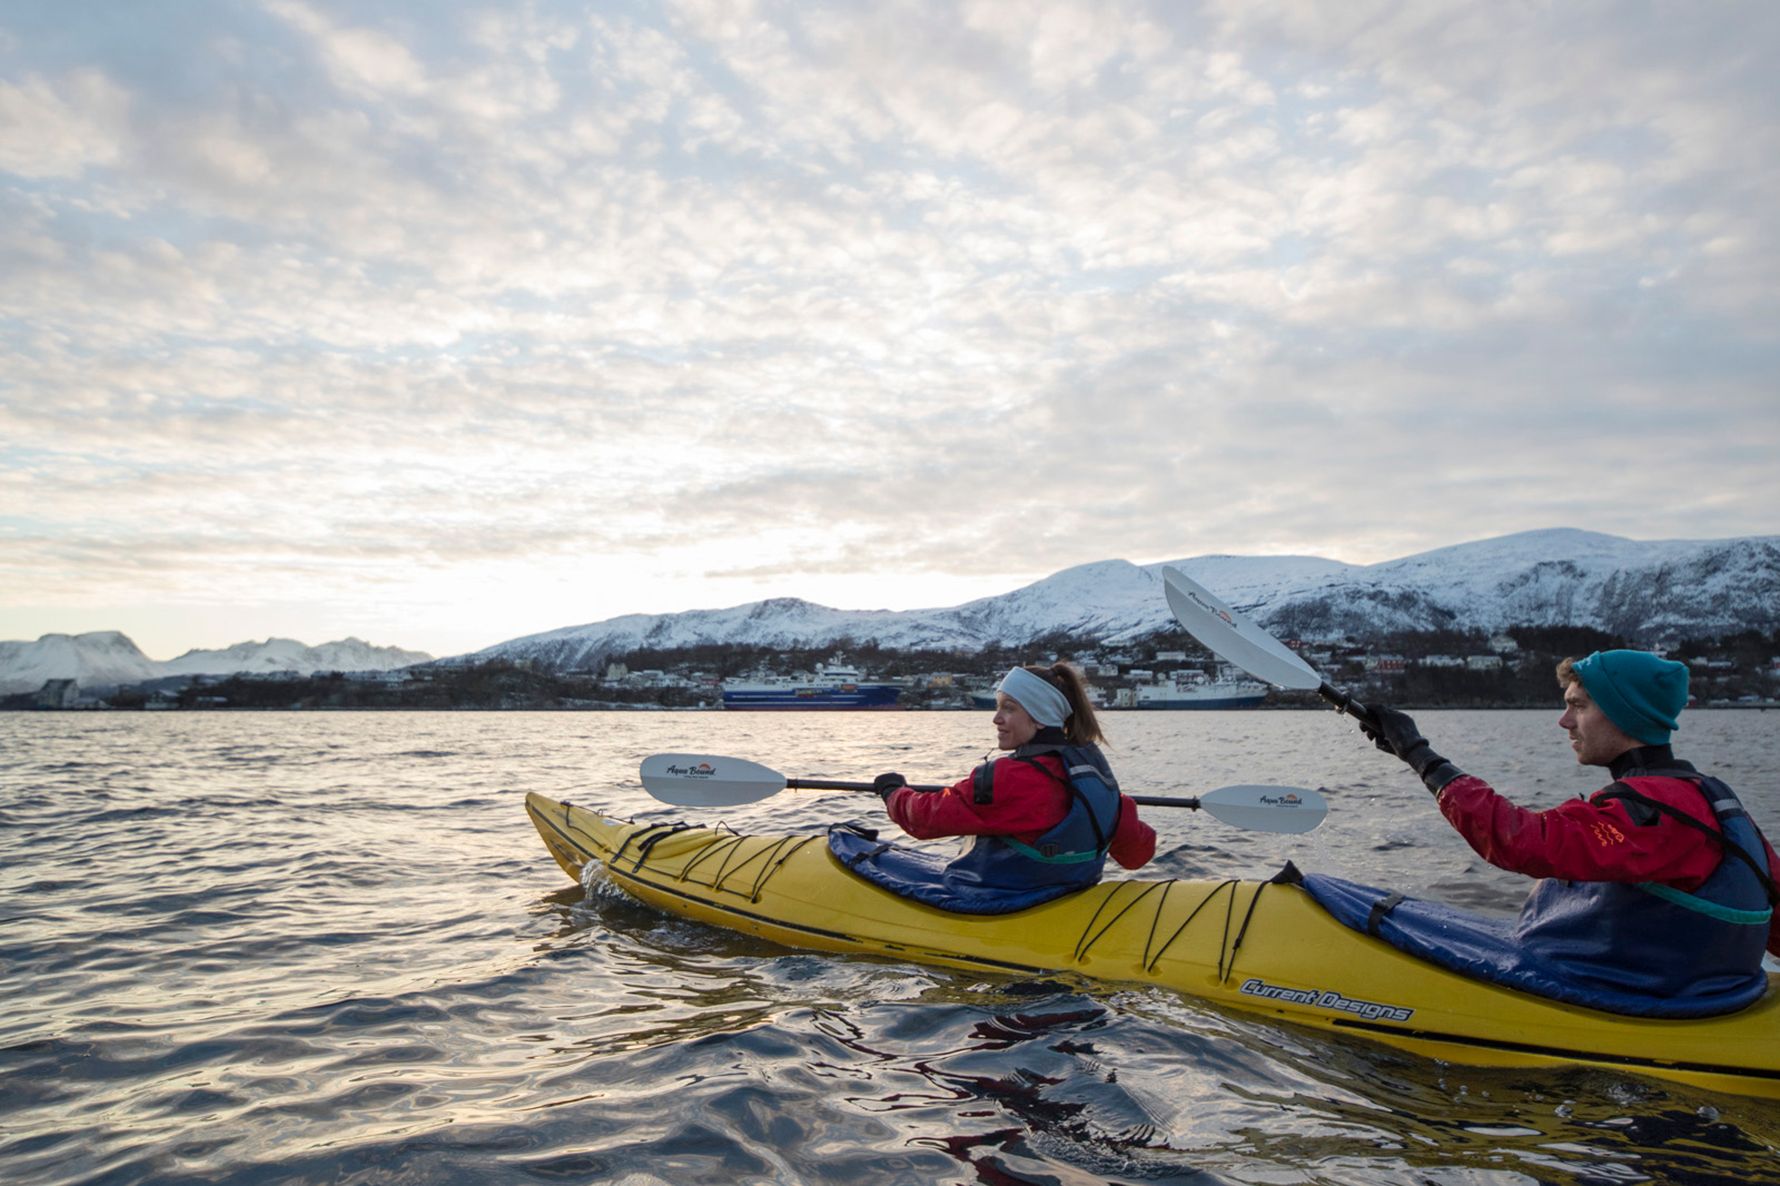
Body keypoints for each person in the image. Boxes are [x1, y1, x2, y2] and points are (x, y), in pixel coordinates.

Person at [1363, 648, 1780, 1005]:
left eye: (1578, 706)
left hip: (1642, 997)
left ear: (1625, 713)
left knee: (1353, 905)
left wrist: (1420, 755)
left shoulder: (1653, 810)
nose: (1564, 721)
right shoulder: (1712, 797)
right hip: (1700, 989)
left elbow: (1521, 841)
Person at [871, 663, 1157, 898]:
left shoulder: (1011, 779)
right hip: (1069, 897)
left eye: (1009, 708)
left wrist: (893, 792)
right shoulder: (1091, 768)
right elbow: (1137, 854)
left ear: (1041, 717)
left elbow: (924, 820)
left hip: (1003, 903)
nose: (996, 718)